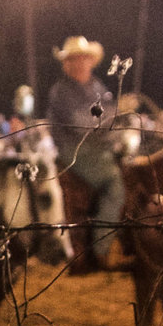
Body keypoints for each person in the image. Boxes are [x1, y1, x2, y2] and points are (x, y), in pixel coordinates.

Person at [46, 36, 125, 265]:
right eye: (74, 59)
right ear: (66, 64)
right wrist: (117, 112)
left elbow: (108, 118)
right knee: (114, 185)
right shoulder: (61, 91)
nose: (79, 63)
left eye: (83, 58)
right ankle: (101, 250)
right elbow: (81, 123)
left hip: (98, 148)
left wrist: (119, 121)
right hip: (73, 150)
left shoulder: (97, 86)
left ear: (91, 61)